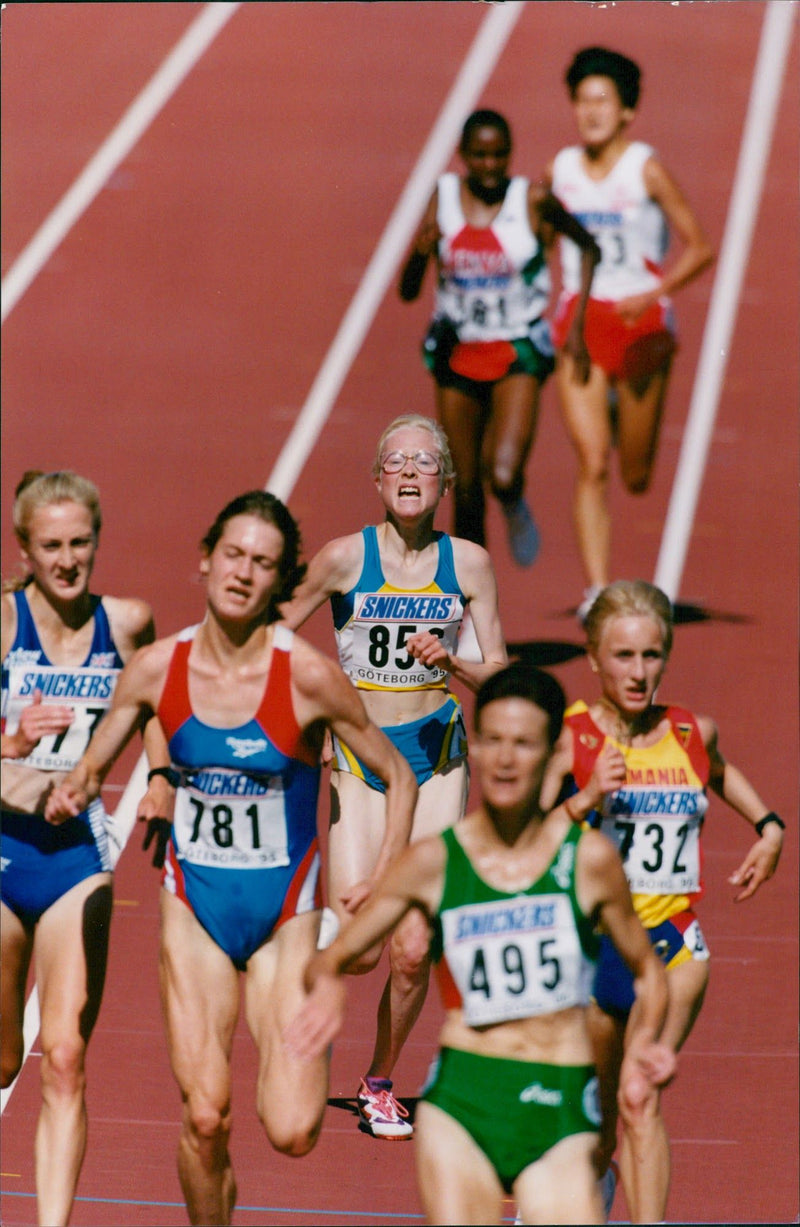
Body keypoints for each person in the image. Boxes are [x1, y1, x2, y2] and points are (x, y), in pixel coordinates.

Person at [44, 490, 418, 1227]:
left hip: (284, 916)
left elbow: (398, 773)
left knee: (294, 1130)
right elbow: (89, 769)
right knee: (207, 1114)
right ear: (207, 559)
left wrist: (389, 875)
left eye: (264, 564)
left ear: (281, 582)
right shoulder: (155, 669)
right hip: (196, 909)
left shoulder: (307, 676)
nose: (245, 573)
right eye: (235, 555)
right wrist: (69, 785)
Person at [285, 662, 676, 1225]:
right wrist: (324, 991)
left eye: (523, 743)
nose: (505, 758)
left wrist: (648, 1044)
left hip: (557, 1105)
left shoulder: (587, 861)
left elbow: (648, 971)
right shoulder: (436, 861)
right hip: (463, 1107)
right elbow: (337, 957)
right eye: (491, 740)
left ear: (551, 753)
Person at [280, 413, 507, 1139]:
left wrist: (453, 664)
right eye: (397, 460)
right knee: (365, 944)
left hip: (437, 757)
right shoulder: (345, 559)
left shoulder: (467, 563)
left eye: (426, 461)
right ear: (377, 479)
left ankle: (379, 1081)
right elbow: (273, 633)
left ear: (444, 482)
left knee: (413, 947)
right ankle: (301, 968)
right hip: (362, 760)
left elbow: (499, 676)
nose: (411, 471)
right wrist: (316, 717)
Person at [543, 580, 784, 1222]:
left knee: (640, 1096)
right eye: (623, 656)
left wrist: (769, 827)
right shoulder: (571, 740)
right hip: (591, 951)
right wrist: (586, 797)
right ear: (593, 658)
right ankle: (590, 1182)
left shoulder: (689, 730)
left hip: (673, 945)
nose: (639, 672)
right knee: (590, 1115)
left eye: (652, 656)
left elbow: (722, 771)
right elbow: (525, 843)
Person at [0, 469, 167, 1227]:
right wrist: (10, 738)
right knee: (6, 1058)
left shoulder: (127, 621)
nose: (68, 560)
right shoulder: (3, 624)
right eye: (52, 546)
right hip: (2, 850)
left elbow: (158, 695)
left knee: (64, 1056)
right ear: (24, 548)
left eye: (80, 543)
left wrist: (161, 775)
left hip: (76, 858)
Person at [543, 48, 714, 619]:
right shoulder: (560, 171)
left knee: (634, 476)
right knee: (592, 463)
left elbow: (701, 246)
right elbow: (535, 235)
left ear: (626, 112)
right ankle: (597, 590)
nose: (590, 112)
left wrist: (653, 291)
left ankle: (622, 411)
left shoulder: (646, 168)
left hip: (640, 329)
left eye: (602, 101)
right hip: (581, 325)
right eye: (582, 100)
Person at [399, 109, 600, 566]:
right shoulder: (444, 197)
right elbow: (408, 292)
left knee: (503, 475)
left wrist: (578, 327)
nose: (490, 166)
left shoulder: (532, 200)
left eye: (499, 155)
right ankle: (473, 605)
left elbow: (590, 246)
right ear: (463, 156)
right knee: (465, 491)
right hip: (457, 352)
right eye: (480, 156)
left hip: (517, 350)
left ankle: (513, 504)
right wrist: (419, 252)